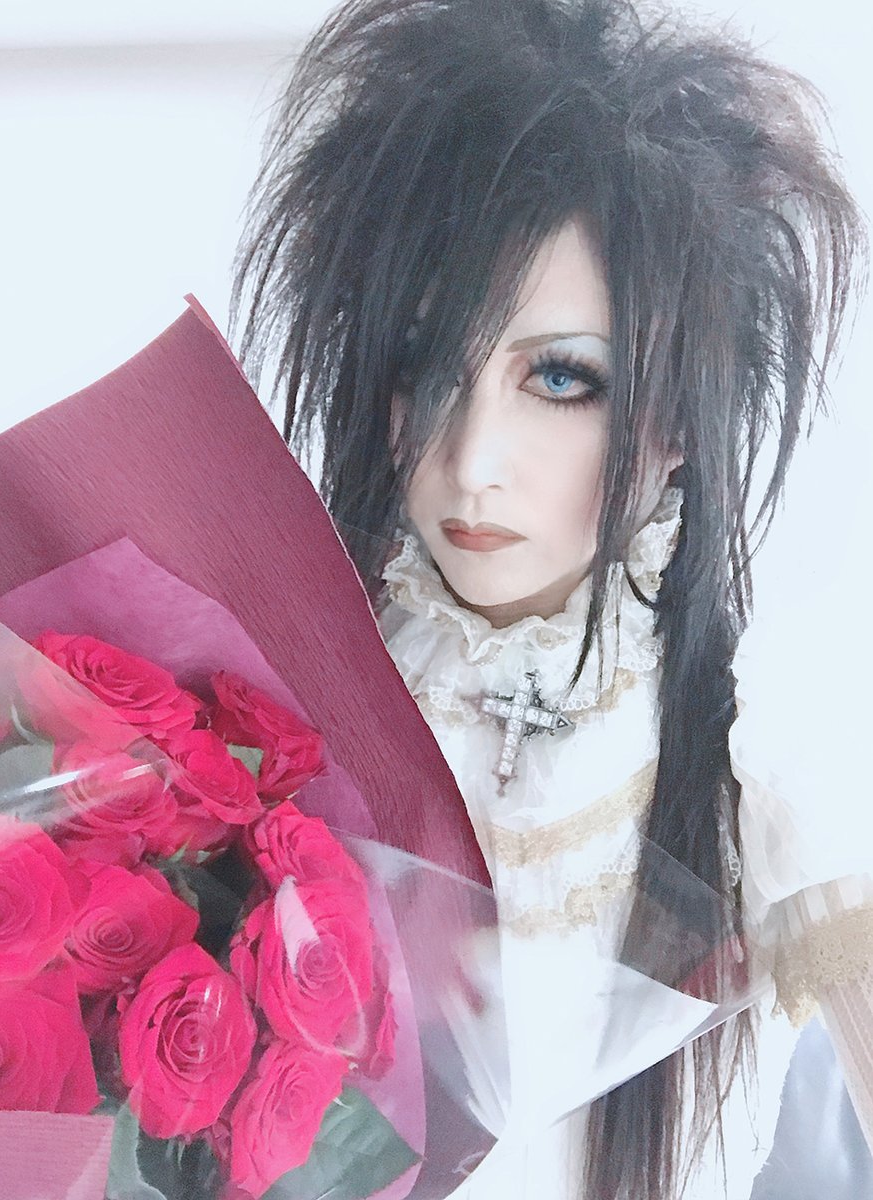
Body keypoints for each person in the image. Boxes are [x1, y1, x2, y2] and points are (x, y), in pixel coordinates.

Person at [230, 0, 870, 1196]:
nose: (471, 461)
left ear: (680, 421)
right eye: (425, 366)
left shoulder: (771, 751)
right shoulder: (267, 703)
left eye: (563, 379)